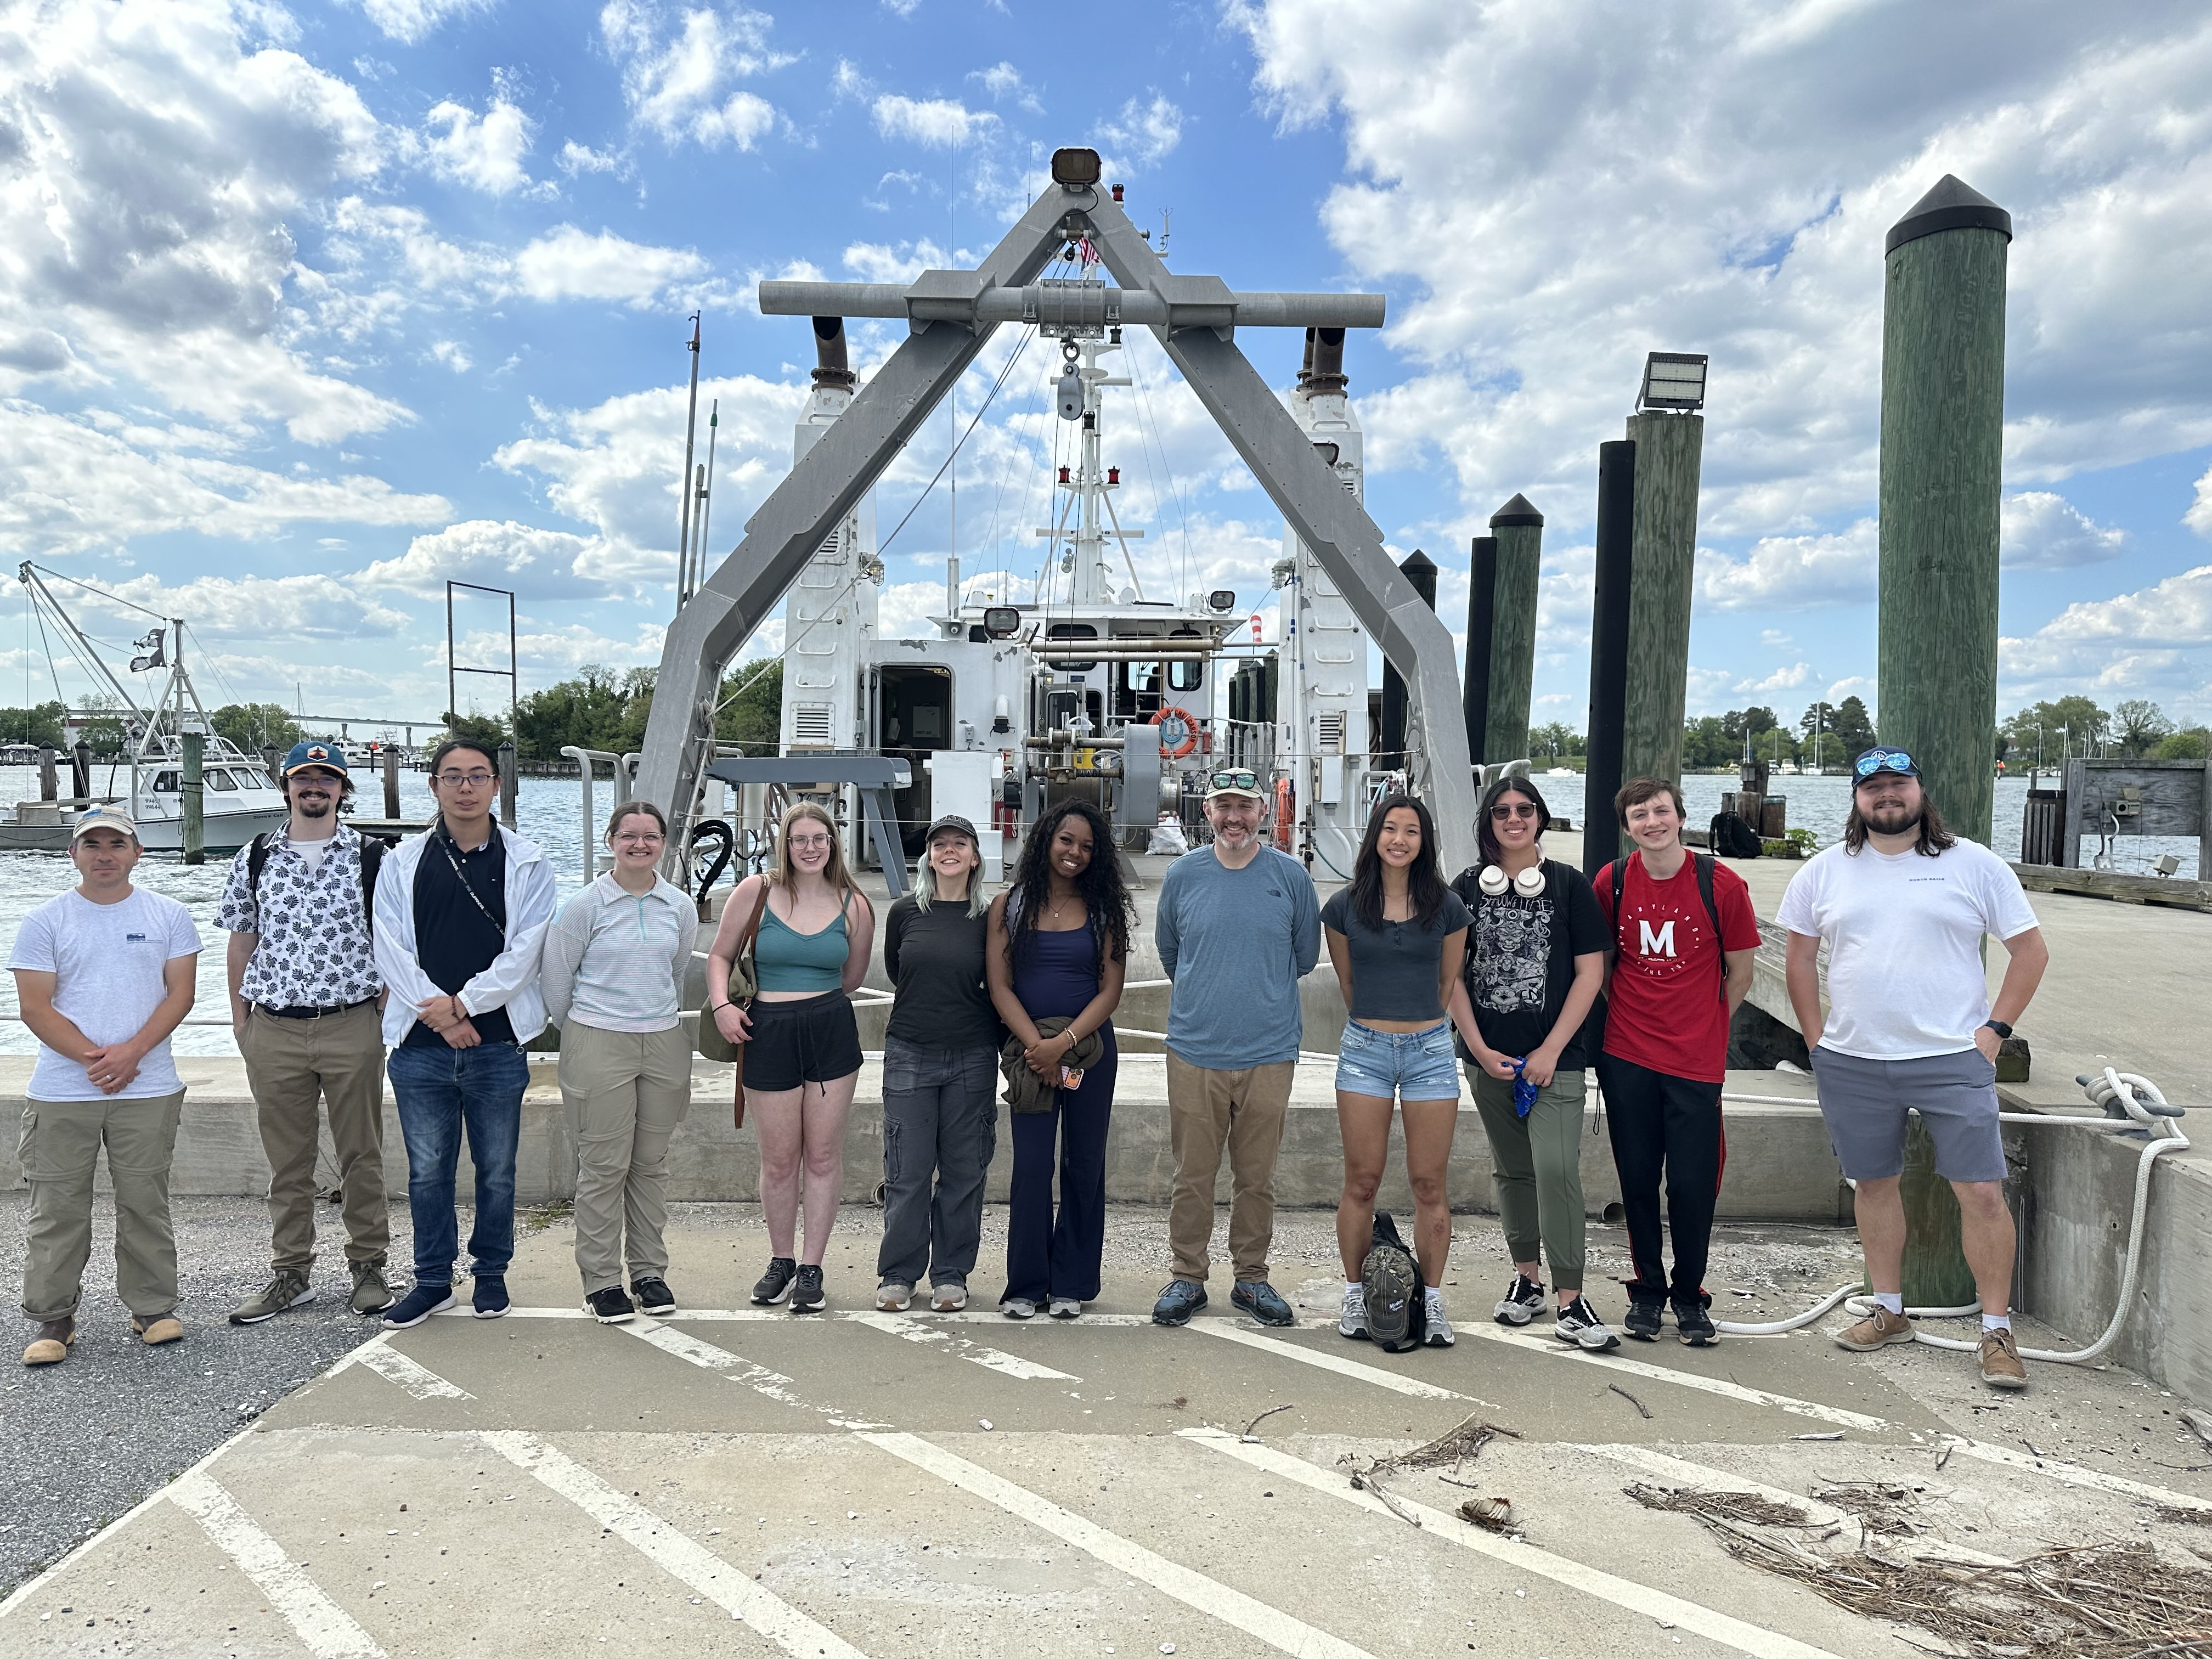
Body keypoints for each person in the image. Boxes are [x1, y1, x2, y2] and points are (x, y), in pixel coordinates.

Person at [1780, 748, 2047, 1391]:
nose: (1887, 796)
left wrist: (1994, 1032)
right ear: (1857, 799)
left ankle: (1995, 1329)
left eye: (1898, 784)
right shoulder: (1823, 871)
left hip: (1951, 1058)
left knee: (1980, 1192)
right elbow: (1798, 957)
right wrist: (1818, 1040)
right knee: (1872, 1185)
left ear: (1921, 791)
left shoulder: (1974, 864)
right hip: (1854, 1060)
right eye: (1873, 787)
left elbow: (2030, 951)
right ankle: (1889, 1309)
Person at [373, 738, 557, 1329]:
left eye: (478, 776)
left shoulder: (528, 861)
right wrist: (441, 1015)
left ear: (497, 785)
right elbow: (389, 947)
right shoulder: (402, 861)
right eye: (453, 777)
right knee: (427, 1171)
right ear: (434, 787)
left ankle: (491, 1274)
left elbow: (528, 950)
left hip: (498, 1042)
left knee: (497, 1168)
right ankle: (432, 1281)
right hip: (420, 1047)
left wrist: (465, 1005)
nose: (466, 787)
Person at [12, 807, 201, 1365]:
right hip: (63, 1090)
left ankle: (152, 1308)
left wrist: (132, 1054)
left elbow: (180, 995)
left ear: (137, 852)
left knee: (145, 1202)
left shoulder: (169, 915)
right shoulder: (45, 921)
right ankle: (54, 1316)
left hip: (149, 1087)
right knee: (57, 1207)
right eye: (90, 844)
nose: (104, 854)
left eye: (116, 844)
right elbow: (33, 1006)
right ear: (73, 854)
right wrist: (97, 1060)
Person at [219, 741, 394, 1325]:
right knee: (287, 1162)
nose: (314, 787)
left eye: (327, 778)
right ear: (286, 786)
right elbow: (242, 939)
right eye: (303, 778)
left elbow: (395, 943)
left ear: (344, 789)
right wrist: (242, 1023)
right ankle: (290, 1274)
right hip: (274, 1026)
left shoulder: (375, 858)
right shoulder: (255, 856)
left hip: (351, 1022)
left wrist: (381, 1015)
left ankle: (368, 1267)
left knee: (361, 1155)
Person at [1446, 774, 1615, 1349]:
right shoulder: (1466, 888)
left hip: (1557, 1060)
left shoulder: (1569, 886)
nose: (1513, 819)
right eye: (1501, 811)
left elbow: (1591, 974)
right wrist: (1477, 1045)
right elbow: (1450, 978)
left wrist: (1549, 1050)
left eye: (1524, 809)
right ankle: (1527, 1281)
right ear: (1488, 823)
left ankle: (1572, 1297)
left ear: (1540, 817)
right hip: (1485, 1057)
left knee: (1556, 1170)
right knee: (1512, 1170)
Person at [1591, 776, 1760, 1346]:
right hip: (1628, 1055)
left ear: (1680, 817)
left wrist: (1704, 1021)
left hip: (1695, 1061)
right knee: (1637, 1179)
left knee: (1692, 1185)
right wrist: (1638, 1018)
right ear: (1628, 827)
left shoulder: (1723, 885)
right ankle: (1647, 1292)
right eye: (1639, 815)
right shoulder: (1612, 882)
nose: (1651, 822)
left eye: (1660, 811)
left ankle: (1690, 1295)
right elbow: (1607, 967)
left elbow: (1740, 974)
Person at [1151, 770, 1322, 1328]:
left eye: (1245, 808)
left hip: (1269, 1051)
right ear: (1207, 812)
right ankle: (1187, 1277)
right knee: (1192, 1176)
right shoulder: (1182, 875)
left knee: (1257, 1177)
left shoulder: (1291, 877)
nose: (1234, 818)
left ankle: (1252, 1279)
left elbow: (1302, 957)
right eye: (1224, 807)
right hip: (1195, 1050)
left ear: (1262, 812)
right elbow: (1172, 951)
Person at [706, 802, 875, 1315]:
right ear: (785, 843)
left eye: (818, 839)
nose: (809, 848)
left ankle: (812, 1267)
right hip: (767, 1031)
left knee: (823, 1157)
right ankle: (780, 1260)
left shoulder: (856, 904)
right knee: (779, 1161)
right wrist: (721, 1008)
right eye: (799, 839)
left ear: (833, 843)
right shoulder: (755, 891)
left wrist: (813, 1000)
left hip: (830, 1031)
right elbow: (720, 955)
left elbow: (853, 979)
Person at [540, 802, 696, 1324]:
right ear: (611, 841)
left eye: (650, 836)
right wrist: (589, 1029)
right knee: (604, 1166)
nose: (640, 845)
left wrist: (652, 1020)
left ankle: (649, 1271)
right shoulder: (586, 905)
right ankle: (602, 1281)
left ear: (664, 843)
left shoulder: (679, 906)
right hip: (598, 1039)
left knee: (650, 1165)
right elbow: (557, 982)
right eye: (628, 835)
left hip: (662, 1039)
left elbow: (674, 974)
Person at [1323, 794, 1470, 1347]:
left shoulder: (1449, 908)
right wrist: (1380, 1024)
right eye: (1391, 829)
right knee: (1361, 1181)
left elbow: (1446, 985)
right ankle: (1356, 1295)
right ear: (1375, 837)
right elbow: (1349, 983)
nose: (1400, 840)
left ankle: (1431, 1302)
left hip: (1430, 1050)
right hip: (1365, 1049)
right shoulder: (1342, 907)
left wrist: (1415, 1025)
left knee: (1429, 1184)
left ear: (1424, 841)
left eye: (1412, 831)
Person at [986, 800, 1130, 1319]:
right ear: (1047, 840)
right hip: (1031, 1058)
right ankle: (1026, 1284)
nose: (1075, 853)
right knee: (1030, 1167)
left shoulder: (1105, 911)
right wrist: (1037, 1049)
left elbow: (1110, 991)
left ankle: (1071, 1282)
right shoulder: (1009, 905)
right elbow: (999, 986)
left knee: (1083, 1164)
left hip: (1088, 1055)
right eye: (1067, 840)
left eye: (1088, 847)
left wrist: (1063, 1043)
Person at [877, 815, 1000, 1314]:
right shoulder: (904, 912)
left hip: (973, 1054)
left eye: (960, 844)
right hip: (910, 1051)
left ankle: (951, 1272)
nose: (949, 851)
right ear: (929, 856)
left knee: (963, 1171)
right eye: (940, 844)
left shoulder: (993, 916)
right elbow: (895, 971)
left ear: (975, 856)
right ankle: (899, 1273)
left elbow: (1002, 982)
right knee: (907, 1170)